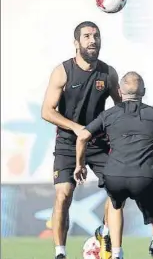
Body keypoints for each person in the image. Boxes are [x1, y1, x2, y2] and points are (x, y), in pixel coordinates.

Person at [74, 71, 153, 259]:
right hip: (145, 177)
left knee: (116, 206)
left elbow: (82, 136)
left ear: (119, 91)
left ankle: (116, 253)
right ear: (144, 91)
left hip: (114, 176)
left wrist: (79, 164)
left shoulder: (108, 115)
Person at [41, 21, 121, 259]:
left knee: (117, 189)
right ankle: (60, 253)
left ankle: (104, 233)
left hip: (98, 144)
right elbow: (47, 111)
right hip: (67, 142)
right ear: (76, 43)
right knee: (63, 194)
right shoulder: (63, 71)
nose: (92, 40)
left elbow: (120, 109)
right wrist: (76, 128)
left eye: (96, 36)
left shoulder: (108, 73)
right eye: (86, 36)